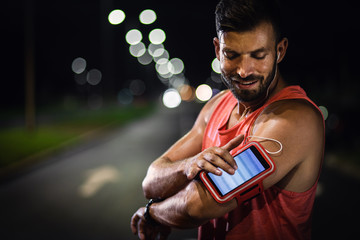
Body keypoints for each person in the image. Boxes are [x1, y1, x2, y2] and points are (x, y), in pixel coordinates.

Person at [131, 0, 325, 239]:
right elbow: (150, 182)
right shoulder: (217, 105)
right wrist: (188, 165)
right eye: (232, 55)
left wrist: (152, 213)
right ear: (217, 50)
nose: (244, 70)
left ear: (280, 51)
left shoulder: (294, 120)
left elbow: (199, 206)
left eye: (258, 55)